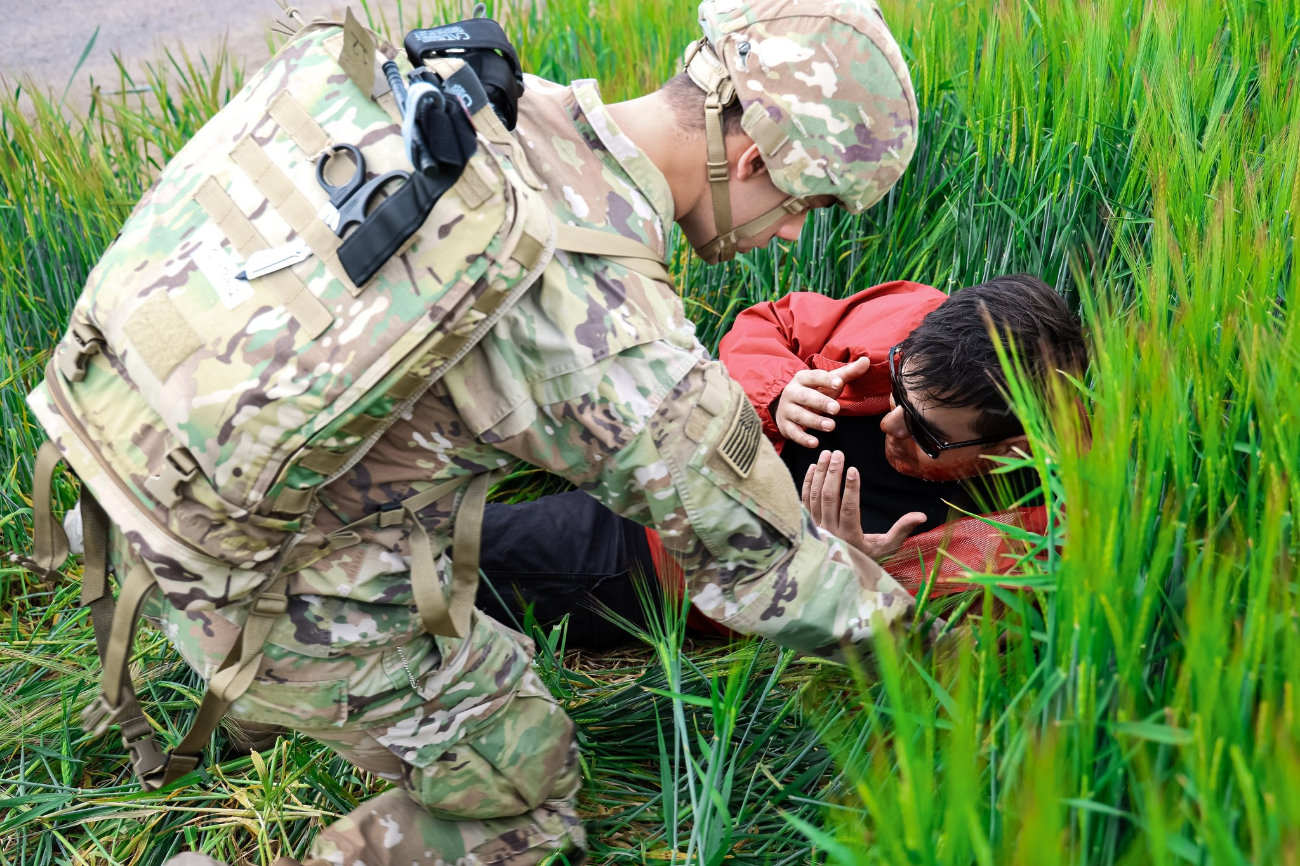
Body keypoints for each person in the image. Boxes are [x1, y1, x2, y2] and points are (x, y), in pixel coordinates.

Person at [162, 1, 926, 864]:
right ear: (751, 158)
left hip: (145, 450)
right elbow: (761, 562)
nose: (789, 233)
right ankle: (263, 661)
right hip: (237, 554)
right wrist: (923, 654)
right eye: (804, 206)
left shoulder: (497, 100)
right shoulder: (603, 315)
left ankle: (247, 676)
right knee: (524, 796)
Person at [472, 274, 1083, 649]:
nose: (893, 421)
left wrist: (850, 569)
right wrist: (778, 388)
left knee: (452, 556)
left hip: (671, 556)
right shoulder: (921, 327)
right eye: (898, 389)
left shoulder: (1026, 542)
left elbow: (913, 651)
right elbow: (773, 321)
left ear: (1014, 451)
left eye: (925, 431)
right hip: (669, 444)